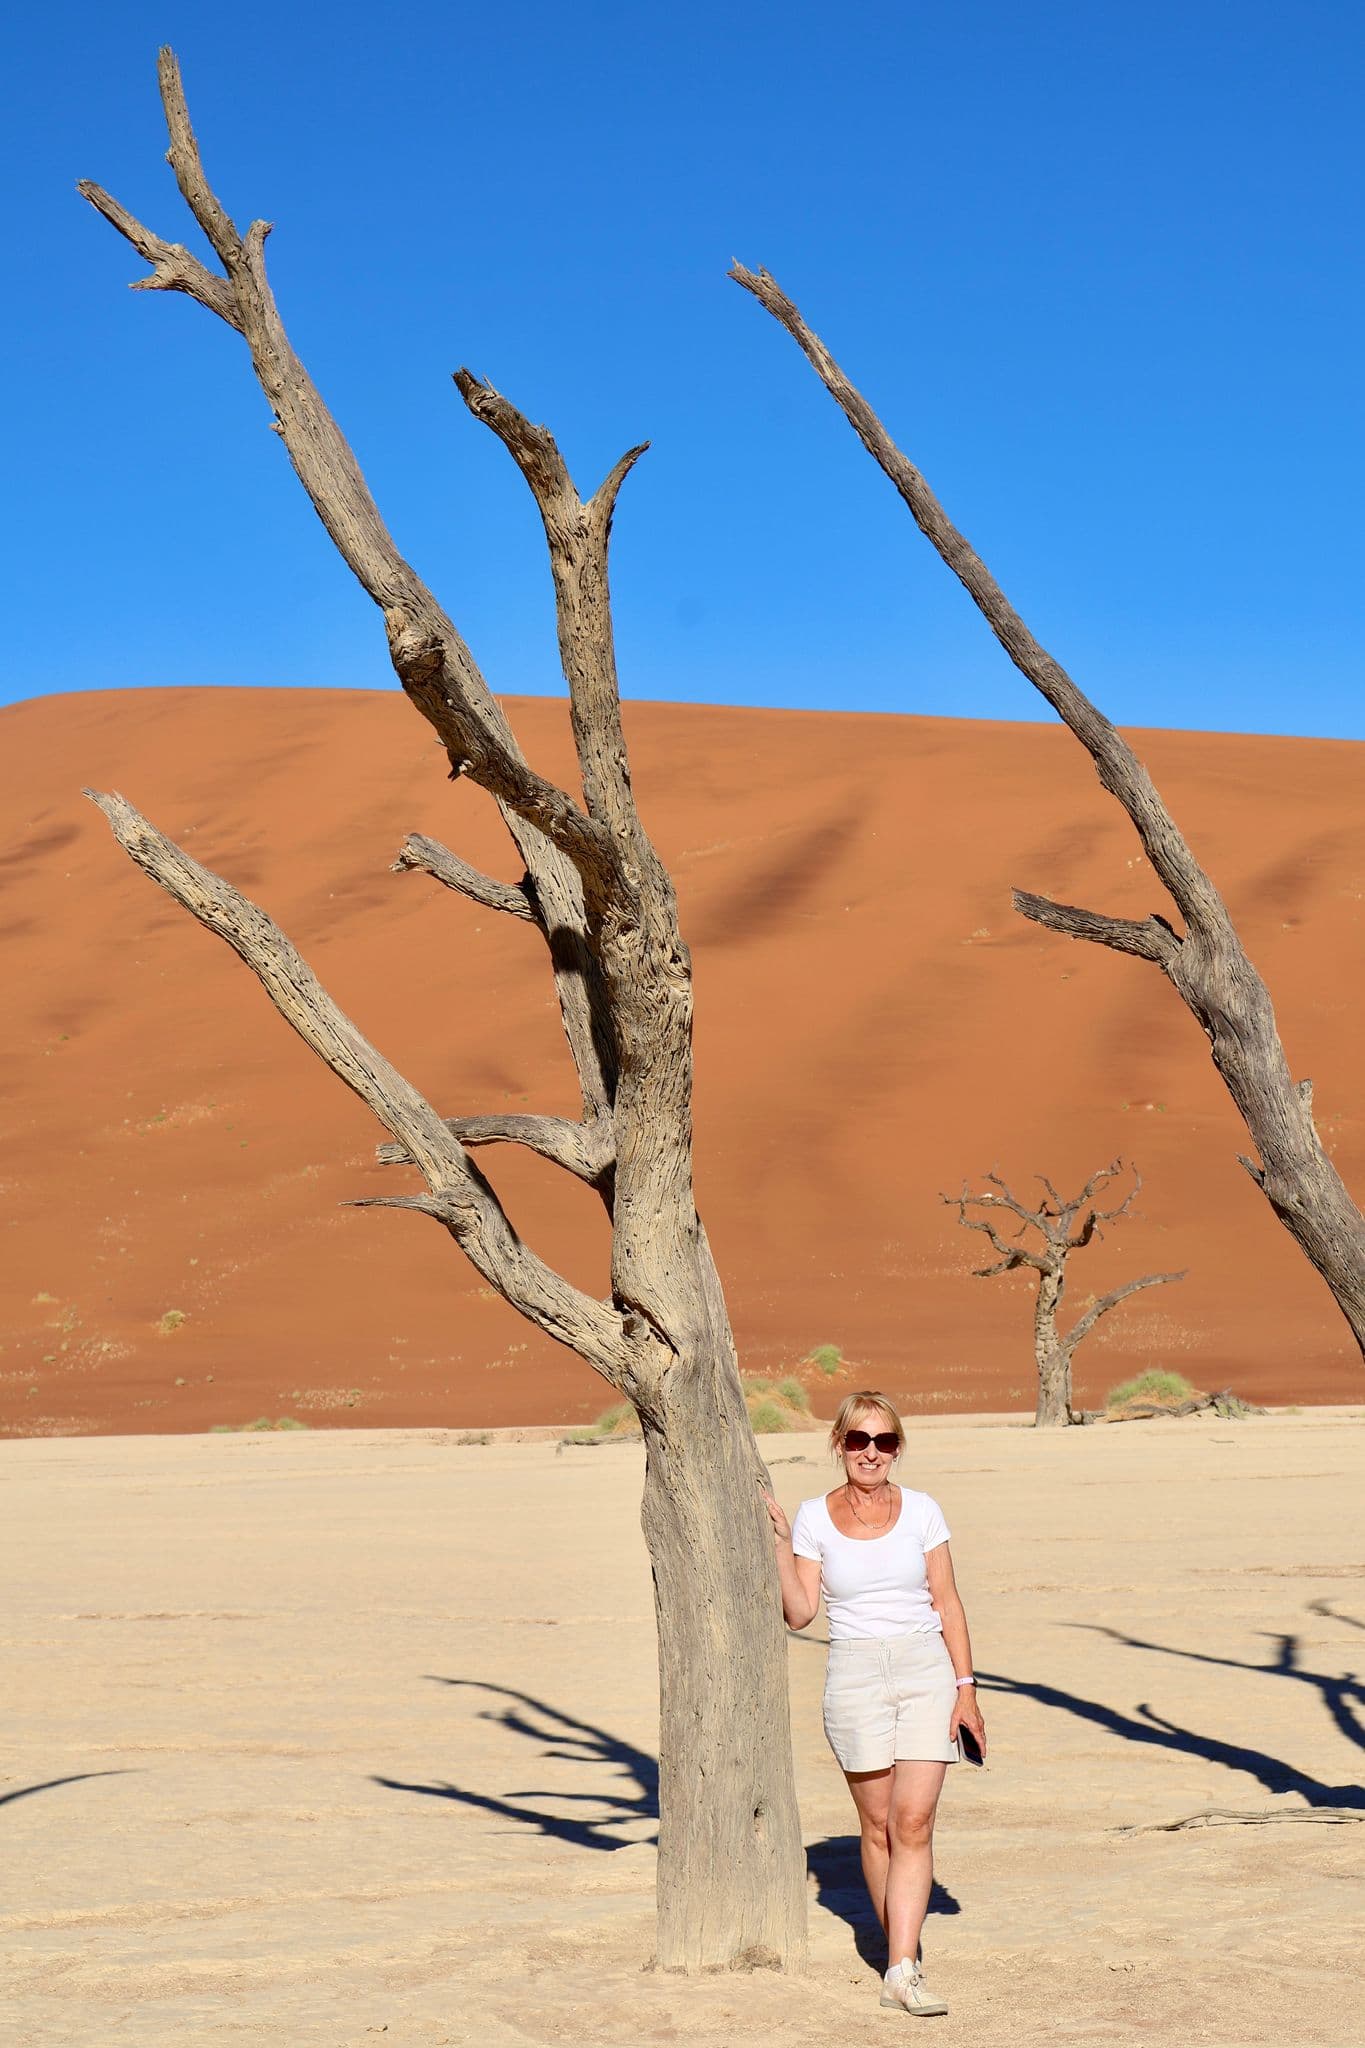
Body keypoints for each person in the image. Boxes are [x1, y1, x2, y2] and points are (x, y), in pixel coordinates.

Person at [764, 1389, 986, 2018]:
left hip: (926, 1669)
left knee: (914, 1821)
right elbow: (802, 1612)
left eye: (884, 1441)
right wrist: (782, 1544)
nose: (870, 1452)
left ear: (897, 1449)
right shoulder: (812, 1516)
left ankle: (902, 1968)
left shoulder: (922, 1511)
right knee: (879, 1824)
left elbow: (947, 1601)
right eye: (858, 1440)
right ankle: (898, 1950)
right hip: (855, 1673)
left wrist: (966, 1690)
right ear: (840, 1445)